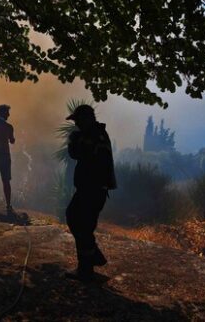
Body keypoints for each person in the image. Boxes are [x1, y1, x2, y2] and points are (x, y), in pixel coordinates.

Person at [64, 104, 116, 282]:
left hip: (92, 190)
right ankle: (91, 258)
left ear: (86, 119)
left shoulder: (95, 136)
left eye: (78, 120)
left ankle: (86, 269)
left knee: (81, 223)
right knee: (76, 220)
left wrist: (76, 141)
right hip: (91, 189)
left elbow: (78, 154)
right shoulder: (93, 135)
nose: (76, 124)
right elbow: (76, 153)